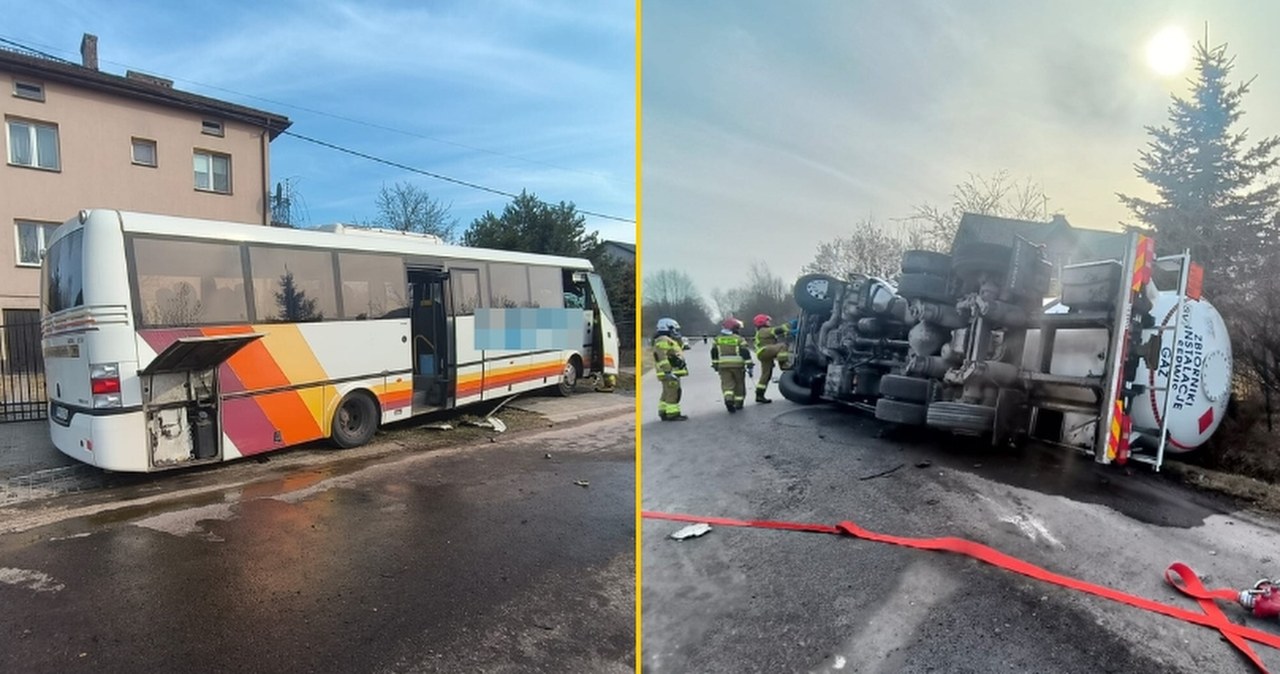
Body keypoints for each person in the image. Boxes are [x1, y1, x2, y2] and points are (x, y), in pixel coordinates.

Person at [710, 317, 754, 413]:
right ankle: (738, 403)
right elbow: (745, 352)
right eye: (737, 328)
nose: (738, 330)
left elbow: (714, 352)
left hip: (723, 366)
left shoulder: (717, 339)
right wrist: (749, 364)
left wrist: (715, 364)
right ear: (733, 328)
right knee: (739, 384)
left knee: (727, 384)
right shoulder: (739, 339)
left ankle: (729, 399)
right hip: (738, 366)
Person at [652, 317, 689, 421]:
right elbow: (662, 356)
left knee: (666, 392)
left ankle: (663, 412)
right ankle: (673, 414)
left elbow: (676, 350)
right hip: (669, 372)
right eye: (674, 329)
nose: (676, 331)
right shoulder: (663, 340)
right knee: (673, 392)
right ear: (667, 328)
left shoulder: (667, 339)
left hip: (668, 372)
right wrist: (668, 371)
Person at [753, 313, 792, 403]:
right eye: (767, 321)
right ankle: (784, 365)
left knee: (766, 375)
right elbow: (778, 330)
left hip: (763, 353)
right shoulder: (764, 330)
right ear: (762, 322)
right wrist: (790, 324)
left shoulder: (762, 331)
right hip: (764, 351)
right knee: (783, 346)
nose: (769, 322)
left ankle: (759, 395)